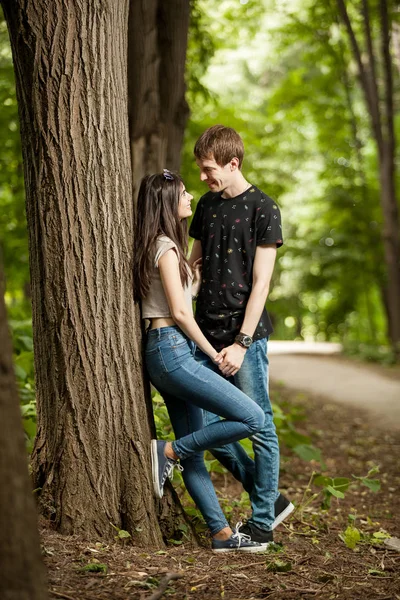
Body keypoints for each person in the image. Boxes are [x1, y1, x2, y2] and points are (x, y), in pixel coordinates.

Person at [133, 169, 269, 553]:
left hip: (162, 352)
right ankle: (167, 451)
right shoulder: (165, 247)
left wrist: (192, 276)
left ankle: (221, 535)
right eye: (182, 193)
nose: (190, 196)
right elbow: (179, 312)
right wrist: (213, 354)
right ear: (166, 202)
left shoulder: (154, 245)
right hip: (173, 350)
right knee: (253, 418)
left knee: (192, 447)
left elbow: (173, 297)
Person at [188, 125, 294, 546]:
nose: (203, 177)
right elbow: (193, 267)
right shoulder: (207, 206)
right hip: (205, 336)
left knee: (260, 427)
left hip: (244, 339)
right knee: (209, 426)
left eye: (209, 169)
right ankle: (270, 496)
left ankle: (263, 521)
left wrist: (242, 342)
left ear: (233, 163)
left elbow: (262, 283)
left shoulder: (264, 209)